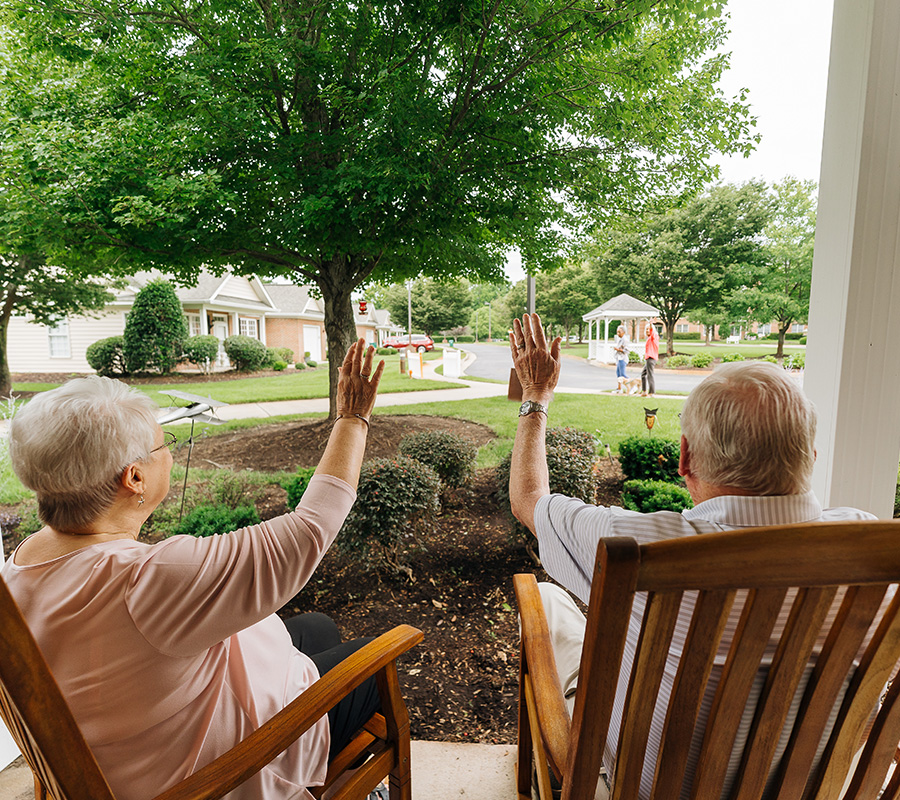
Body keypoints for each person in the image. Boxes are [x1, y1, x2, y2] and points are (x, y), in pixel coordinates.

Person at [507, 313, 877, 799]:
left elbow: (528, 499)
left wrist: (536, 399)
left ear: (684, 458)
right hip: (804, 788)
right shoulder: (873, 546)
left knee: (549, 604)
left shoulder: (637, 542)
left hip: (645, 787)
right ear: (808, 452)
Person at [2, 340, 387, 800]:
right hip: (203, 774)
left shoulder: (21, 563)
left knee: (318, 629)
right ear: (134, 478)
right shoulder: (150, 579)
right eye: (163, 443)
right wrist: (353, 417)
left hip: (119, 750)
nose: (169, 451)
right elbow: (310, 529)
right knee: (376, 664)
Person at [640, 319, 659, 396]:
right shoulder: (648, 338)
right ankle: (644, 391)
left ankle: (651, 392)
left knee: (650, 375)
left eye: (649, 329)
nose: (647, 330)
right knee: (643, 374)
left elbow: (652, 332)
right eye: (646, 329)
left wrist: (650, 324)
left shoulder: (654, 337)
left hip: (651, 358)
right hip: (648, 359)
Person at [613, 324, 629, 390]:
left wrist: (618, 349)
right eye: (617, 332)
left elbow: (627, 350)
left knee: (623, 374)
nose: (618, 333)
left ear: (624, 332)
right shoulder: (620, 339)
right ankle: (619, 388)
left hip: (623, 359)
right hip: (619, 358)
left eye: (619, 332)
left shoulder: (625, 340)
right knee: (618, 373)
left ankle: (632, 385)